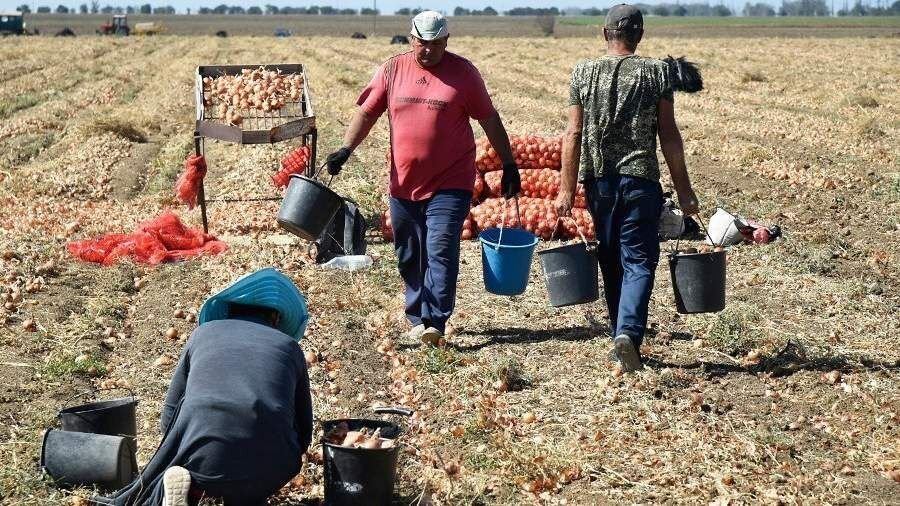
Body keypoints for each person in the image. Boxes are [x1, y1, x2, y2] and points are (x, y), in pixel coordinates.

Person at [325, 10, 520, 345]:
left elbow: (489, 119)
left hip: (451, 180)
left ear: (446, 41)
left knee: (440, 247)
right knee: (409, 252)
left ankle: (436, 322)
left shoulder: (464, 74)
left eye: (436, 44)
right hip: (403, 182)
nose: (428, 50)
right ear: (411, 38)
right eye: (422, 43)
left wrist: (508, 163)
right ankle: (417, 316)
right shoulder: (392, 69)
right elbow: (367, 112)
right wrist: (346, 149)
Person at [555, 4, 700, 372]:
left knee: (610, 257)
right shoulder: (657, 74)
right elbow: (668, 135)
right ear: (640, 35)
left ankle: (620, 335)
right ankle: (629, 335)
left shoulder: (583, 72)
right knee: (639, 259)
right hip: (640, 181)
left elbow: (573, 133)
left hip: (598, 182)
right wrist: (684, 192)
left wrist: (566, 189)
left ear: (605, 34)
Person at [95, 268, 313, 506]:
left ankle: (193, 488)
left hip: (202, 458)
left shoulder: (203, 334)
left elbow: (170, 414)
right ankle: (249, 493)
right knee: (263, 464)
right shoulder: (290, 347)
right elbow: (304, 432)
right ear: (275, 319)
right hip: (268, 467)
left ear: (228, 311)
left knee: (193, 435)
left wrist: (181, 450)